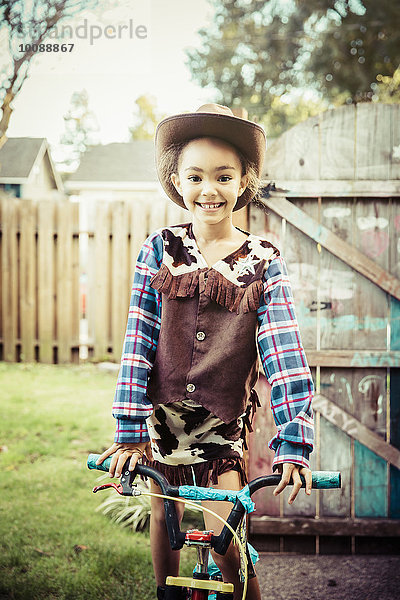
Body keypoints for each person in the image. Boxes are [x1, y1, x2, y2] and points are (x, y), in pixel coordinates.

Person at [97, 103, 314, 600]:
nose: (209, 190)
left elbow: (284, 354)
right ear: (177, 180)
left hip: (223, 426)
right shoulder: (158, 250)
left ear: (243, 181)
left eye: (223, 176)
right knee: (163, 511)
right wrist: (129, 432)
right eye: (195, 176)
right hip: (160, 420)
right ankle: (165, 593)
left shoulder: (263, 260)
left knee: (225, 533)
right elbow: (138, 341)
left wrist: (294, 443)